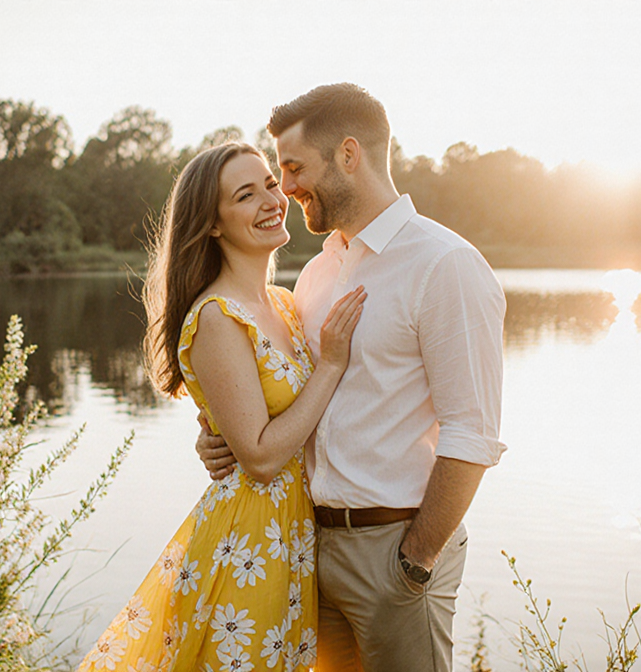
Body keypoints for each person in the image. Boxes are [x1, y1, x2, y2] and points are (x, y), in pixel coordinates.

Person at [196, 83, 507, 672]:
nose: (284, 188)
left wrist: (413, 563)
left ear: (347, 154)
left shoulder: (445, 265)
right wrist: (223, 437)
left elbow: (472, 435)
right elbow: (290, 396)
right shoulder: (314, 274)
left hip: (394, 552)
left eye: (292, 168)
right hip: (308, 548)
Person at [76, 141, 367, 672]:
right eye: (245, 195)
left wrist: (217, 434)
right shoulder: (217, 316)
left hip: (293, 540)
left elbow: (257, 417)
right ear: (212, 224)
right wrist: (331, 366)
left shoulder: (281, 303)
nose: (271, 201)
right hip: (248, 545)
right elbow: (257, 458)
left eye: (272, 185)